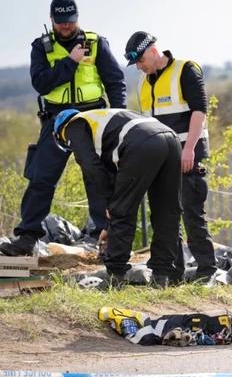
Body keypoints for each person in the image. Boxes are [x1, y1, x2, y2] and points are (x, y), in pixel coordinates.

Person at [0, 0, 126, 257]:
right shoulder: (41, 47)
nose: (66, 27)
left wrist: (119, 120)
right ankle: (27, 238)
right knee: (41, 177)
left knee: (97, 176)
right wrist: (70, 62)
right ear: (51, 20)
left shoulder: (96, 43)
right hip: (57, 118)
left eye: (70, 21)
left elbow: (115, 82)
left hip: (92, 116)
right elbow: (41, 84)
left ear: (77, 17)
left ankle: (106, 237)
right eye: (61, 22)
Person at [52, 108, 183, 287]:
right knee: (167, 211)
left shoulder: (72, 125)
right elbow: (117, 178)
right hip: (171, 138)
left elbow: (90, 165)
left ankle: (115, 277)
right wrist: (108, 224)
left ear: (60, 133)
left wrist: (110, 204)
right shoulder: (104, 121)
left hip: (141, 143)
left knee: (123, 212)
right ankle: (162, 276)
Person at [124, 31, 216, 281]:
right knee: (165, 217)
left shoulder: (185, 70)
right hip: (160, 161)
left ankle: (208, 271)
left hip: (187, 155)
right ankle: (174, 273)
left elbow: (200, 110)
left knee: (191, 213)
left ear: (153, 51)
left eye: (141, 61)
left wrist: (189, 150)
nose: (140, 67)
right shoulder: (144, 84)